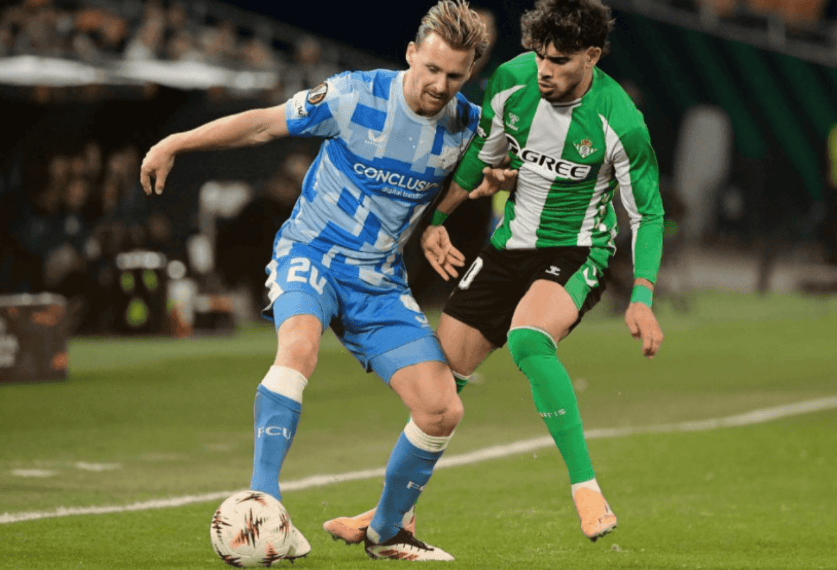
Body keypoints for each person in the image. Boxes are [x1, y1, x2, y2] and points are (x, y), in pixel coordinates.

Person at [140, 0, 489, 562]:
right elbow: (263, 124)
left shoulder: (466, 125)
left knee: (441, 408)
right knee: (298, 348)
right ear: (410, 54)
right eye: (431, 68)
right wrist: (174, 142)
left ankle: (387, 532)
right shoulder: (353, 96)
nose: (439, 85)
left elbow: (482, 176)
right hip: (313, 254)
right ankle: (265, 505)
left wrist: (448, 215)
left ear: (469, 73)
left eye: (454, 75)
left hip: (378, 279)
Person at [323, 0, 665, 545]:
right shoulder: (511, 82)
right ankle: (394, 516)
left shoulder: (620, 121)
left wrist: (642, 295)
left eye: (559, 60)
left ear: (592, 56)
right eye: (539, 56)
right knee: (437, 388)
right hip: (508, 248)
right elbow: (482, 154)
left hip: (577, 250)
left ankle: (586, 486)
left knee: (529, 339)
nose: (544, 70)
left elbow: (648, 214)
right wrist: (437, 220)